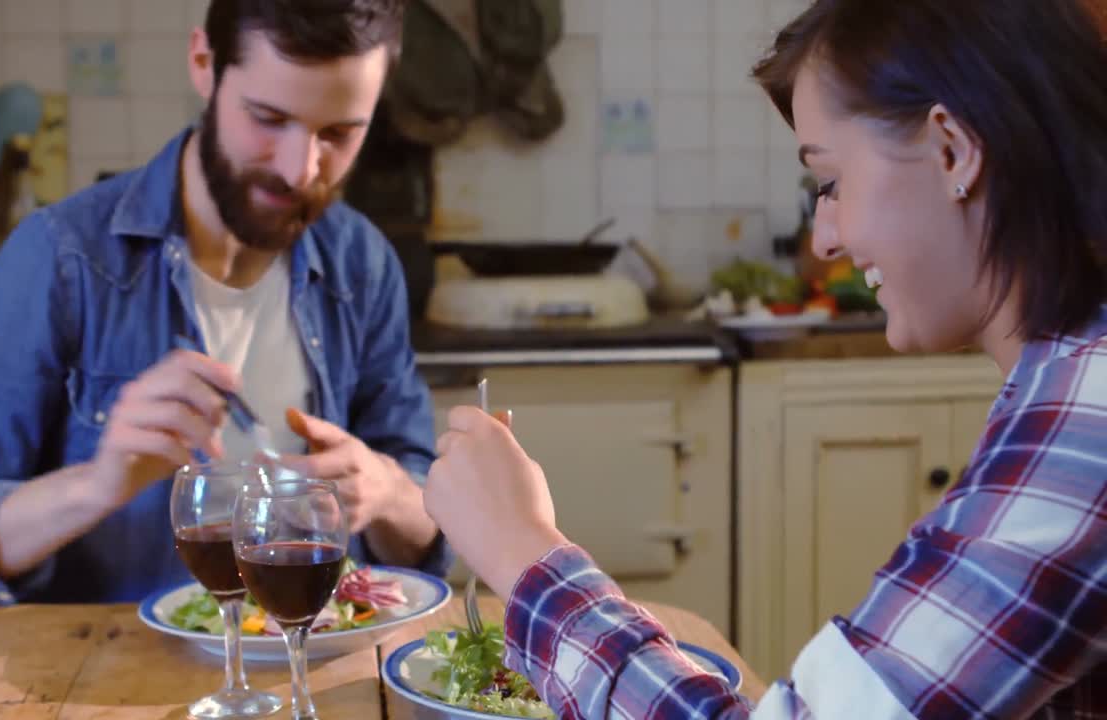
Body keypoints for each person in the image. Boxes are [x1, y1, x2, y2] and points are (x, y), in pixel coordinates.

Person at [425, 0, 1107, 716]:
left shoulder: (1085, 416)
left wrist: (524, 555)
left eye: (832, 183)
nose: (825, 240)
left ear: (952, 150)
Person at [0, 0, 450, 605]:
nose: (298, 170)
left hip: (314, 660)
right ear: (204, 63)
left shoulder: (362, 264)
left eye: (338, 134)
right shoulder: (61, 259)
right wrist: (95, 486)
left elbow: (426, 535)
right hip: (109, 663)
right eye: (267, 118)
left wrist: (386, 491)